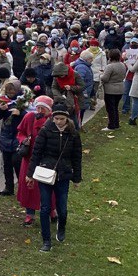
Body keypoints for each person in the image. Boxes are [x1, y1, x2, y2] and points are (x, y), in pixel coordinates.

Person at [30, 106, 84, 251]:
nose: (59, 122)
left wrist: (77, 178)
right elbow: (36, 152)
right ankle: (46, 240)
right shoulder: (46, 131)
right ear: (52, 118)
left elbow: (77, 157)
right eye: (56, 119)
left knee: (62, 208)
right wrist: (30, 174)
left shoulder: (73, 134)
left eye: (62, 119)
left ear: (67, 119)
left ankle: (62, 227)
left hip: (64, 174)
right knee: (45, 207)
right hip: (46, 173)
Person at [98, 52, 127, 131]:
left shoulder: (110, 66)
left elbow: (105, 78)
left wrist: (101, 75)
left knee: (110, 108)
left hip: (110, 89)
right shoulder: (122, 65)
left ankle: (111, 125)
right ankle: (116, 123)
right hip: (120, 88)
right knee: (115, 107)